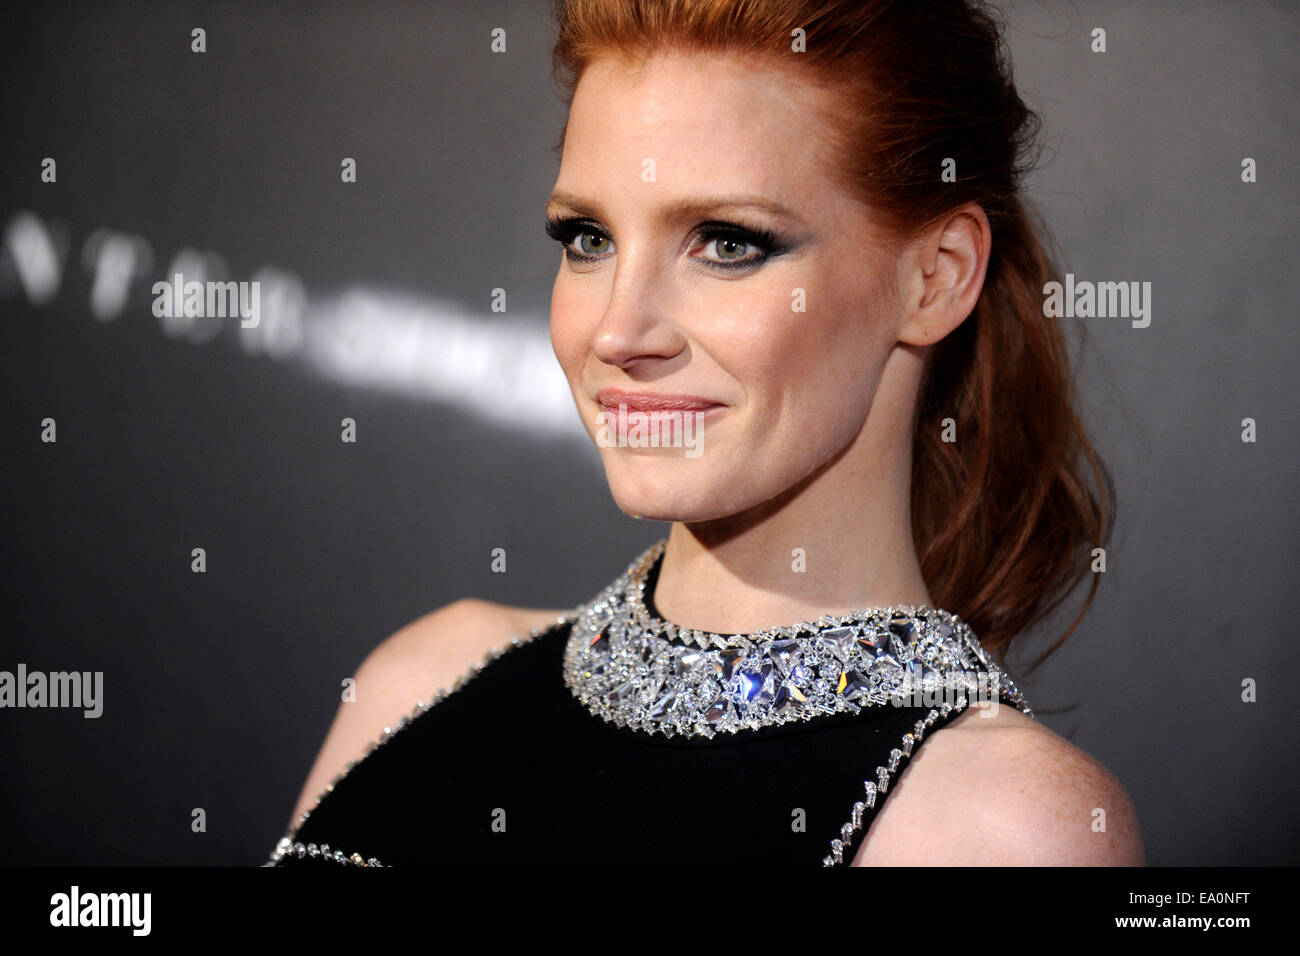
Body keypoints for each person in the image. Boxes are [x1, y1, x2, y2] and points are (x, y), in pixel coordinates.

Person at [267, 0, 1143, 867]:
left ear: (936, 278)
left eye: (726, 243)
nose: (617, 331)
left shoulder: (1000, 828)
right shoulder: (421, 678)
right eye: (588, 239)